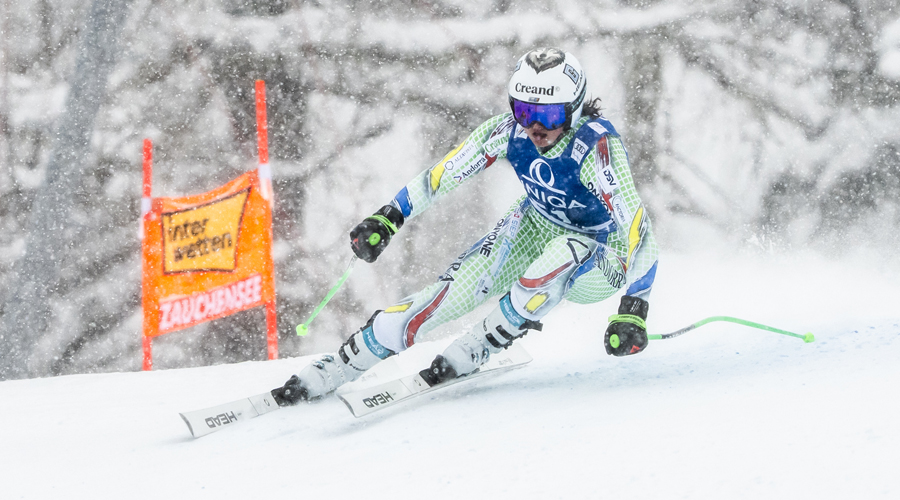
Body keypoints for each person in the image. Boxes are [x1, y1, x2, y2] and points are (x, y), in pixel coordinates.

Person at [273, 47, 659, 405]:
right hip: (536, 225)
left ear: (574, 110)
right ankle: (337, 367)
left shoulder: (596, 147)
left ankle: (484, 341)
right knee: (451, 291)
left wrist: (633, 307)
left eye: (549, 115)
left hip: (603, 253)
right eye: (524, 111)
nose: (534, 128)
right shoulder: (507, 133)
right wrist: (389, 216)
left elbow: (639, 233)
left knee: (561, 256)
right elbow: (443, 176)